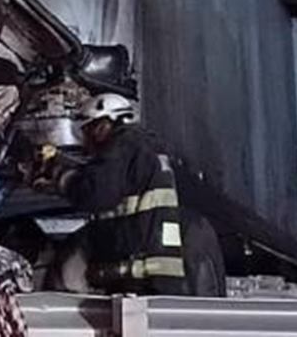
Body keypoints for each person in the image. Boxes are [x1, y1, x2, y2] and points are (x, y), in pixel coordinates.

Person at [39, 93, 188, 295]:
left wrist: (61, 178)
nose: (85, 143)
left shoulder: (124, 144)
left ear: (103, 125)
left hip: (140, 273)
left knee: (69, 260)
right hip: (154, 270)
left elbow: (96, 194)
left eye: (88, 131)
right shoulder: (143, 147)